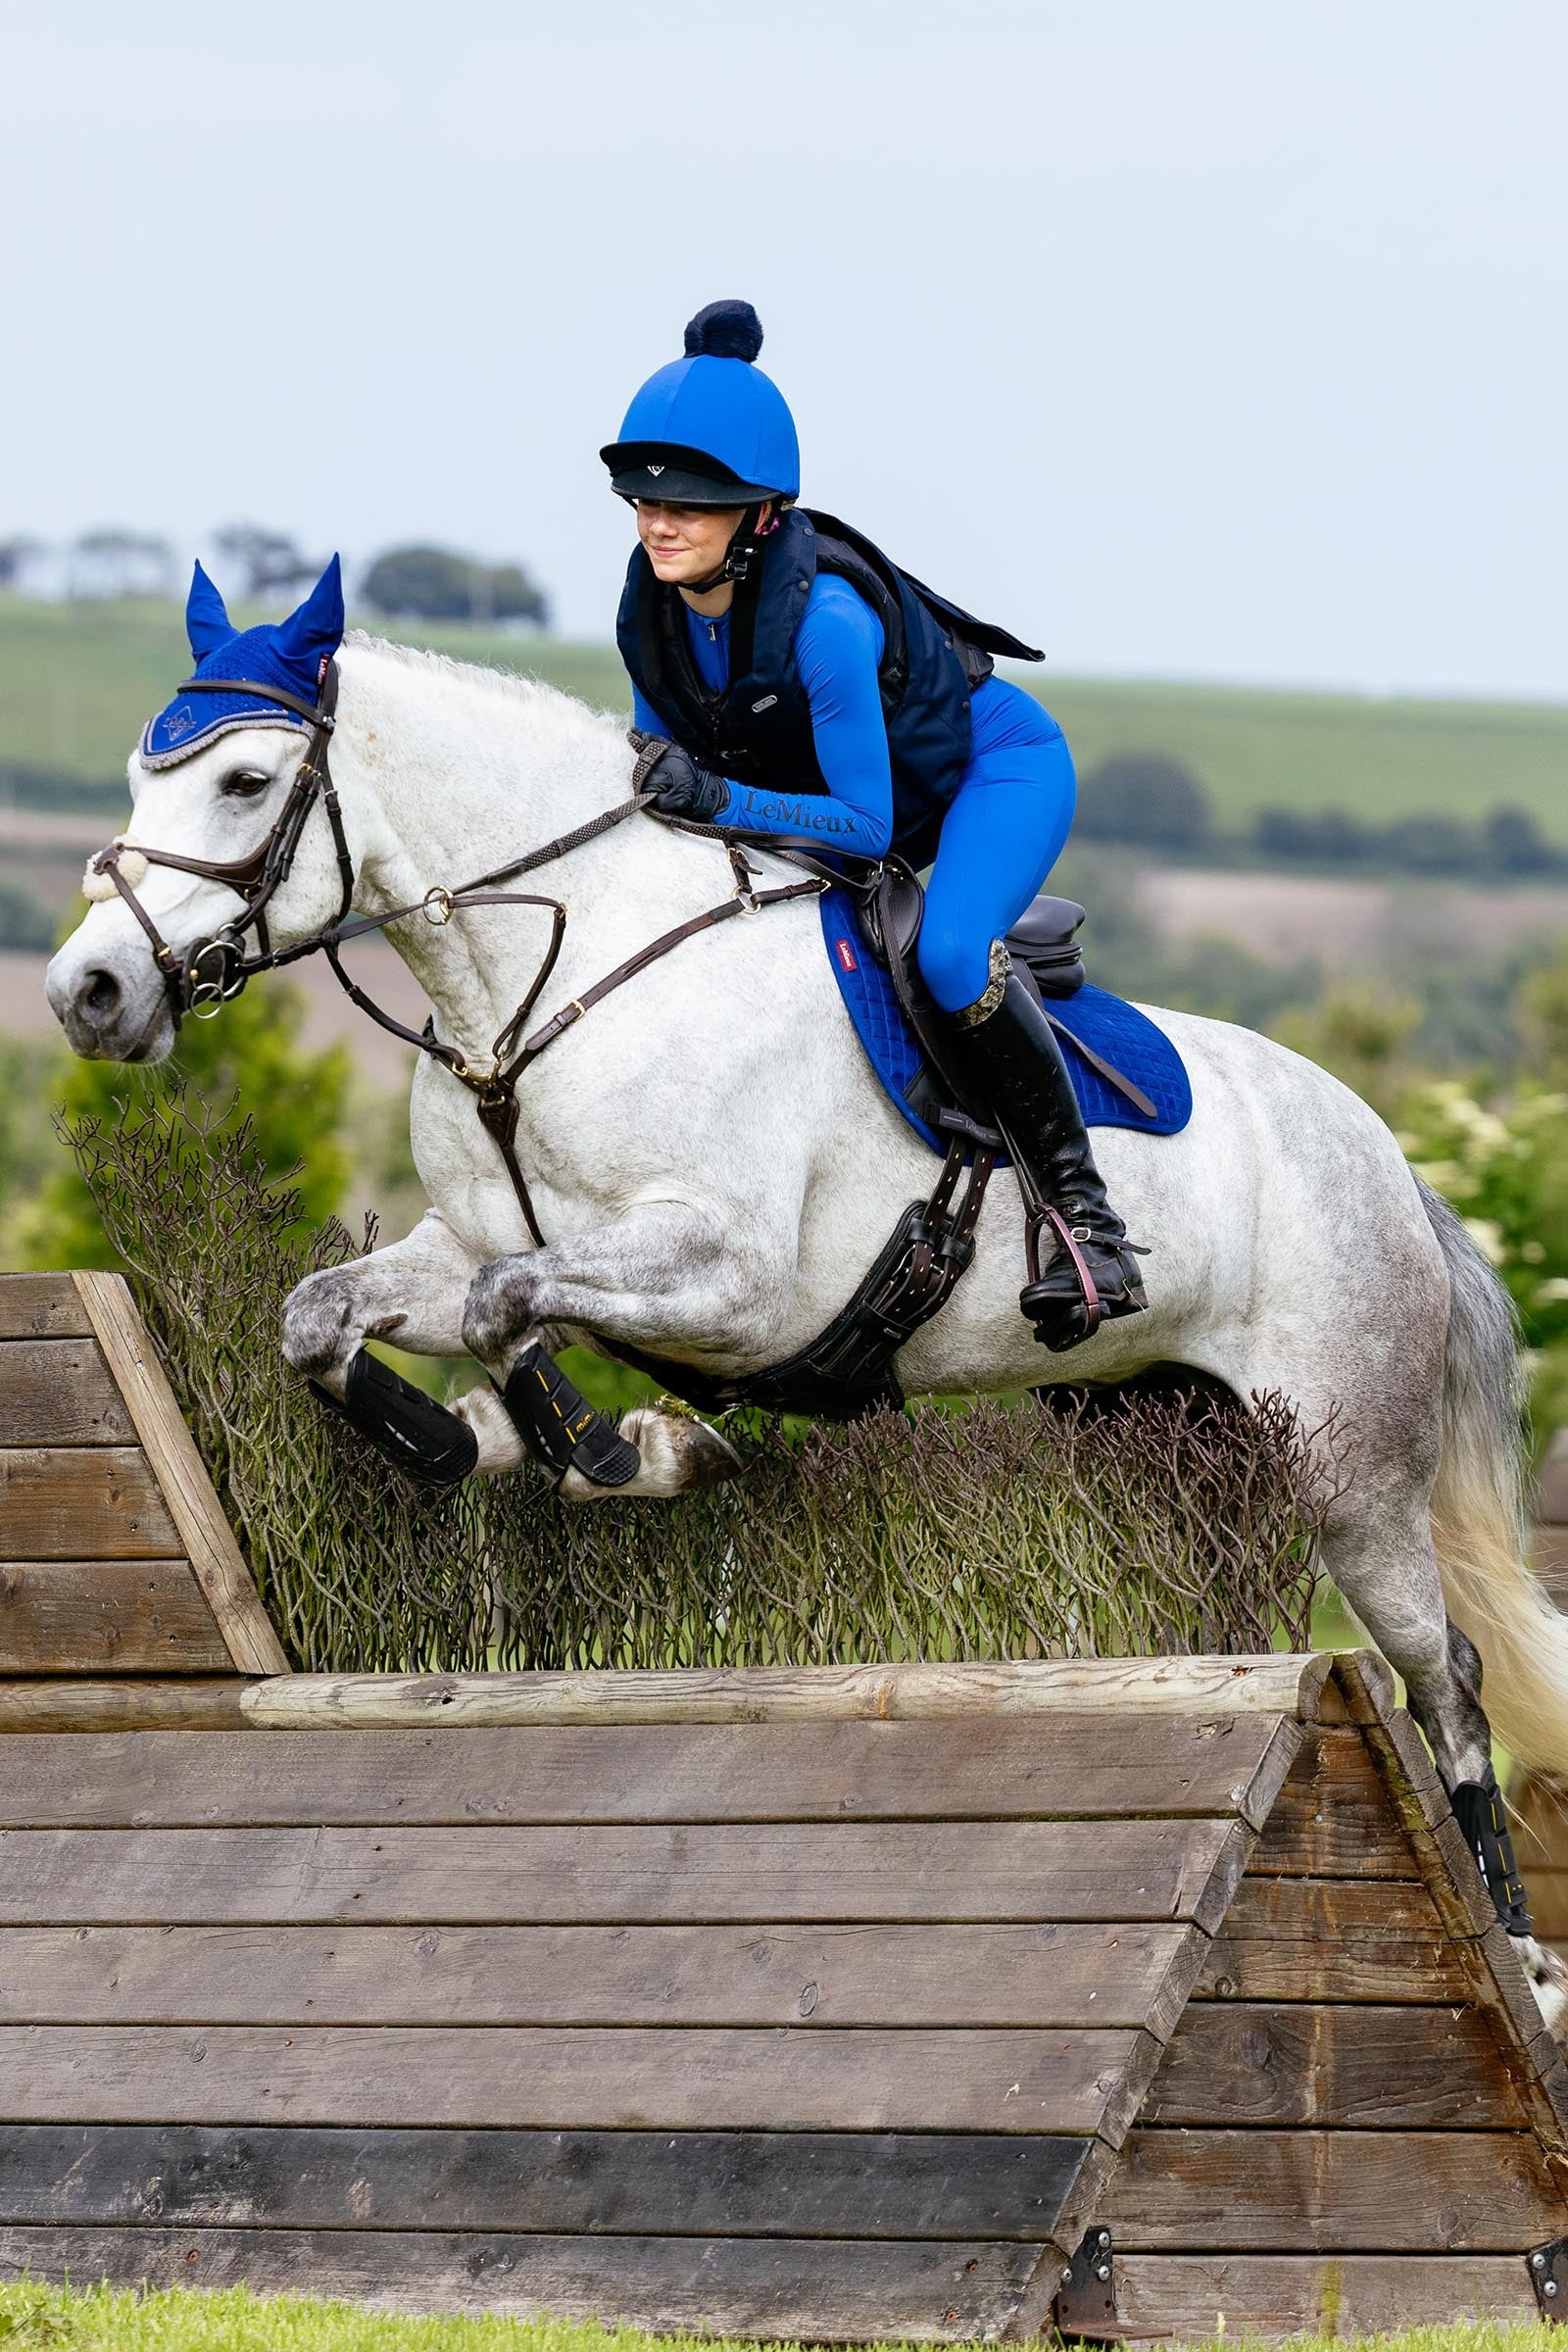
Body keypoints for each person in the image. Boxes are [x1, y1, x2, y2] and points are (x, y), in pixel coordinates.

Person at [603, 299, 1147, 1350]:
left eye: (695, 506)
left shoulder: (828, 623)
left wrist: (716, 801)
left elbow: (864, 825)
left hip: (995, 770)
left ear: (758, 514)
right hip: (860, 792)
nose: (660, 523)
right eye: (643, 501)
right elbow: (662, 780)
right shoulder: (651, 610)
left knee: (948, 951)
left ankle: (1088, 1222)